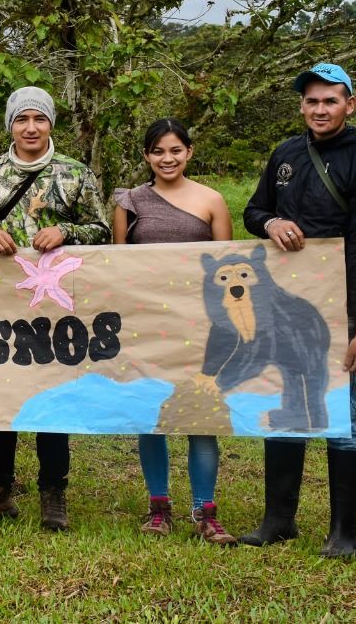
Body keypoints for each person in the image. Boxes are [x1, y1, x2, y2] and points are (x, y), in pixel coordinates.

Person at [241, 63, 356, 556]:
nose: (320, 109)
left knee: (343, 411)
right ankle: (278, 519)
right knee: (287, 399)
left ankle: (343, 532)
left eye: (330, 100)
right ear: (302, 106)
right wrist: (271, 223)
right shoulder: (285, 153)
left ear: (350, 104)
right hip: (284, 306)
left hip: (339, 307)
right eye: (311, 101)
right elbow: (253, 210)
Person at [0, 86, 108, 531]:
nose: (30, 128)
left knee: (52, 397)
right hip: (0, 305)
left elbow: (101, 228)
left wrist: (66, 231)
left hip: (56, 309)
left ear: (50, 124)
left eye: (39, 119)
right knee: (2, 395)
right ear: (10, 125)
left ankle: (53, 494)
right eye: (21, 119)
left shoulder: (75, 173)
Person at [113, 119, 235, 544]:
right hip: (147, 325)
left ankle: (205, 510)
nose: (167, 159)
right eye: (158, 151)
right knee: (152, 415)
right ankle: (158, 507)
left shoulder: (211, 201)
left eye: (176, 150)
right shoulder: (130, 201)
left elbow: (224, 267)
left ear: (189, 152)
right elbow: (118, 267)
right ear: (146, 156)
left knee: (202, 415)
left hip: (200, 325)